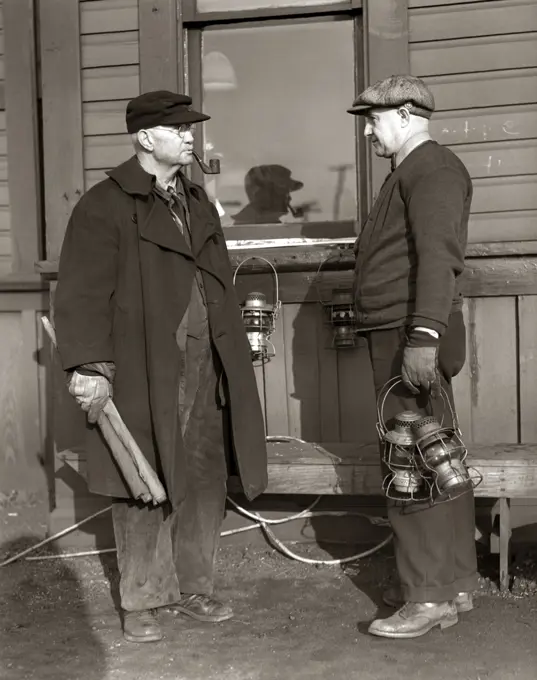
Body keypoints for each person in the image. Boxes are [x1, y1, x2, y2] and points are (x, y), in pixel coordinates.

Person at [54, 90, 268, 643]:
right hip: (144, 362)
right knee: (140, 480)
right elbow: (80, 293)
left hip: (207, 360)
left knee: (201, 475)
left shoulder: (197, 201)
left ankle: (193, 587)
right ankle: (143, 599)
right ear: (146, 138)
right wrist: (89, 368)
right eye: (179, 130)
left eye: (191, 128)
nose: (191, 137)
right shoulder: (103, 205)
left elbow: (218, 281)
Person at [347, 74, 477, 639]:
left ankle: (426, 598)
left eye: (373, 119)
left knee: (410, 466)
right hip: (403, 331)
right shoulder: (411, 171)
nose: (370, 131)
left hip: (409, 335)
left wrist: (423, 336)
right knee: (435, 458)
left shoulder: (431, 169)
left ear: (403, 114)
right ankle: (450, 585)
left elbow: (438, 255)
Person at [231, 164, 303, 224]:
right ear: (266, 195)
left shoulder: (269, 224)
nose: (289, 199)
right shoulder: (249, 226)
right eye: (285, 193)